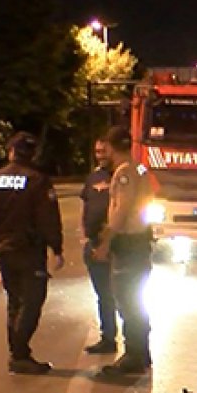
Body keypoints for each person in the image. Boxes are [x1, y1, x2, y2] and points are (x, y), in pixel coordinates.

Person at [0, 133, 65, 375]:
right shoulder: (38, 181)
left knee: (15, 300)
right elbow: (48, 218)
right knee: (32, 300)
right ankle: (19, 353)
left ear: (11, 152)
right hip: (29, 250)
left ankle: (17, 353)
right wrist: (56, 248)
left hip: (5, 249)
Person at [92, 126, 155, 376]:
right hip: (139, 241)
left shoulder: (124, 173)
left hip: (129, 243)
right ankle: (142, 352)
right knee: (136, 299)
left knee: (127, 300)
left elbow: (121, 210)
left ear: (111, 146)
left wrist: (106, 241)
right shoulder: (139, 168)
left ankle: (133, 356)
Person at [81, 138, 118, 354]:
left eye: (104, 151)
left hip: (117, 246)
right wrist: (84, 237)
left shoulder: (124, 175)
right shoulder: (94, 176)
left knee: (124, 295)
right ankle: (108, 337)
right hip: (94, 244)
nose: (100, 155)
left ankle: (136, 346)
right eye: (97, 151)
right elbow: (85, 205)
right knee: (104, 294)